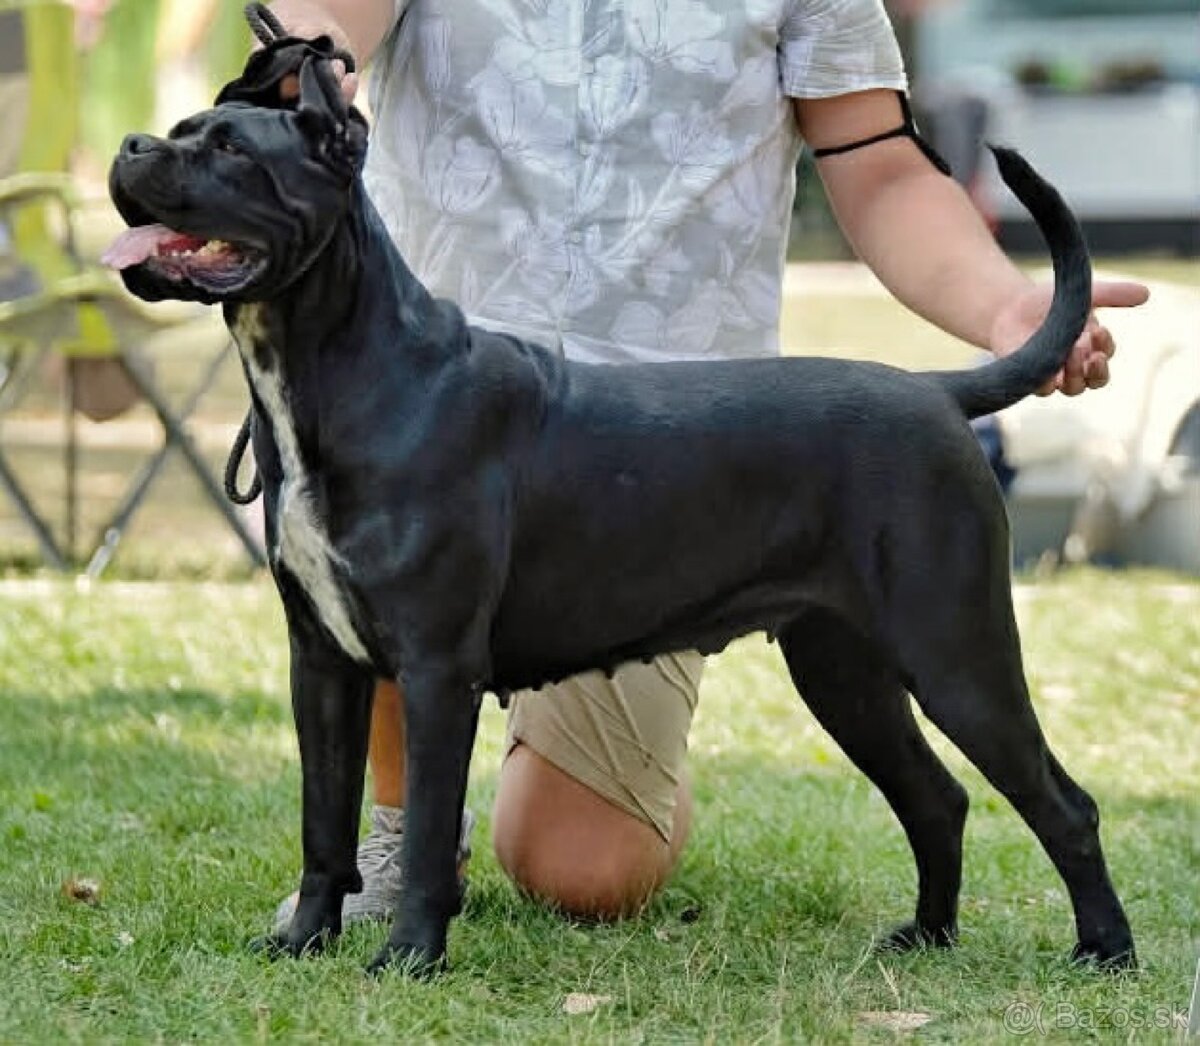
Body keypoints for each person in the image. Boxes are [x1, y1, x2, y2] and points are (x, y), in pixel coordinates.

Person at [265, 0, 1149, 929]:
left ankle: (599, 735)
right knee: (404, 537)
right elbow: (324, 15)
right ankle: (405, 829)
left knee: (583, 870)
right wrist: (310, 53)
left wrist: (1005, 308)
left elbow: (880, 166)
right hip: (429, 392)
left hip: (671, 454)